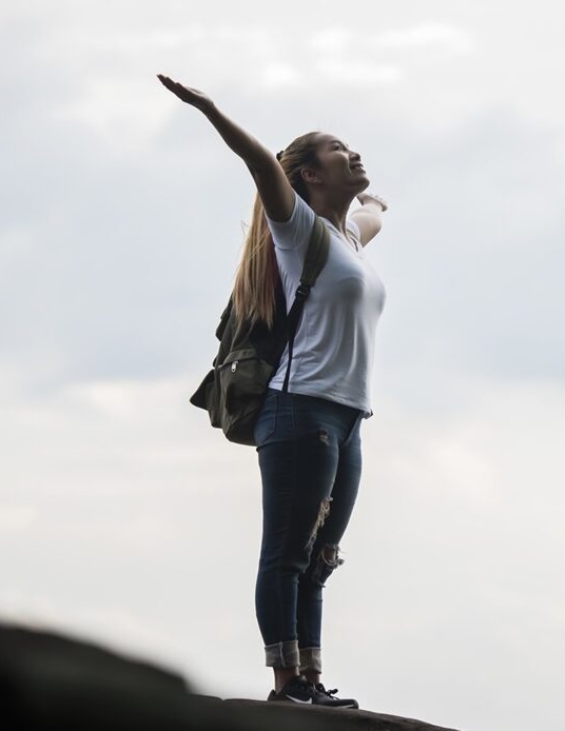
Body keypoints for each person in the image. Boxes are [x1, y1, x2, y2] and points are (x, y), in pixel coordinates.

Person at [158, 73, 388, 709]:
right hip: (299, 407)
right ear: (309, 176)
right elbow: (260, 163)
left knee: (320, 559)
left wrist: (375, 208)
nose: (354, 154)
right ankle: (285, 686)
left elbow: (370, 218)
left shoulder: (346, 240)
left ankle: (311, 679)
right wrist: (210, 111)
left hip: (347, 417)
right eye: (339, 149)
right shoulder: (299, 231)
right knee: (286, 554)